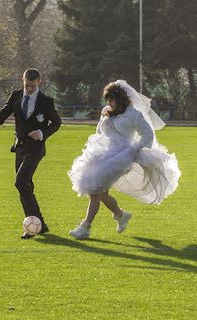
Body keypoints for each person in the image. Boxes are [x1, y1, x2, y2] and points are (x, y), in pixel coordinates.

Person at [67, 80, 180, 239]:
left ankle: (85, 227)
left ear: (120, 99)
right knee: (102, 193)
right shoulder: (107, 110)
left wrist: (134, 149)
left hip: (121, 155)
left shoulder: (134, 114)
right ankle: (121, 215)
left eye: (112, 100)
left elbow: (148, 134)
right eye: (108, 100)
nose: (109, 103)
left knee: (95, 192)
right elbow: (100, 130)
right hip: (103, 152)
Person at [0, 68, 62, 238]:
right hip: (20, 147)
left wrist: (42, 133)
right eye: (26, 85)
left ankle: (33, 223)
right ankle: (38, 224)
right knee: (25, 186)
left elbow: (57, 123)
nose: (28, 89)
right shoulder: (16, 95)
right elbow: (1, 115)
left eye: (32, 86)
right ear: (22, 80)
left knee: (20, 182)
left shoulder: (46, 101)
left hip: (35, 148)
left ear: (39, 82)